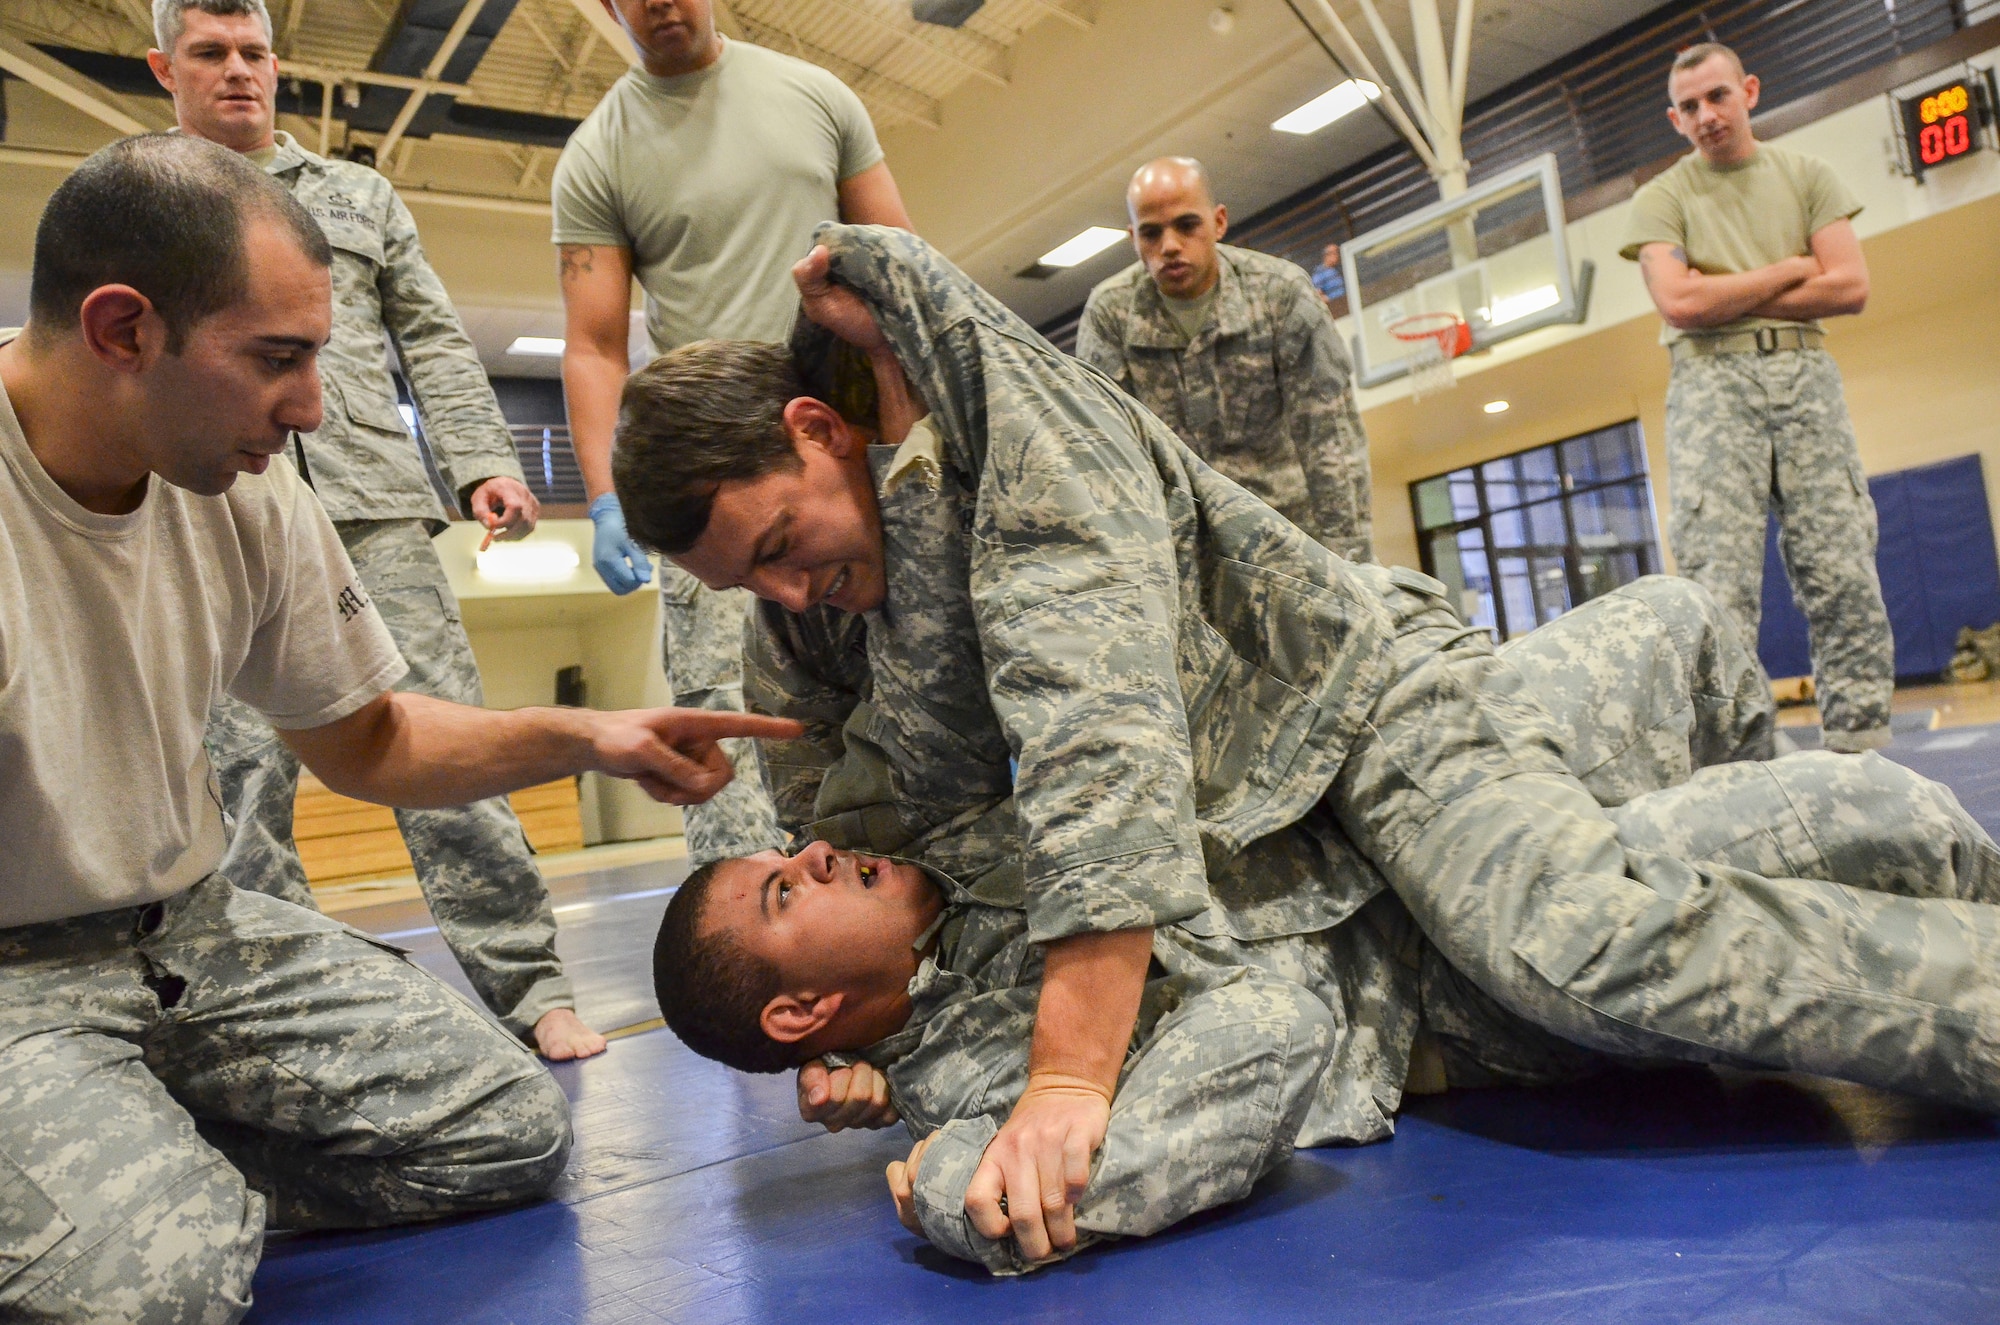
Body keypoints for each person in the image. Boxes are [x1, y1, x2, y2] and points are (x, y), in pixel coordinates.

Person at [610, 222, 2000, 1276]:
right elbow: (841, 808)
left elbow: (1098, 740)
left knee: (1566, 943)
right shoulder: (819, 615)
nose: (784, 598)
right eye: (752, 584)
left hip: (1359, 719)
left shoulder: (1032, 462)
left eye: (782, 549)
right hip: (1302, 842)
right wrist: (848, 1048)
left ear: (817, 431)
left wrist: (1069, 1078)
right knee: (1810, 829)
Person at [0, 133, 797, 1324]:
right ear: (123, 330)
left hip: (186, 937)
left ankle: (152, 1173)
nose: (313, 408)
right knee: (157, 1289)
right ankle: (125, 1203)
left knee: (505, 1127)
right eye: (278, 359)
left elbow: (369, 738)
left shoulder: (249, 489)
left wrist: (590, 737)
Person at [654, 577, 2000, 1273]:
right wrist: (960, 1196)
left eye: (789, 858)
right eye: (787, 891)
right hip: (1424, 959)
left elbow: (835, 699)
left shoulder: (918, 846)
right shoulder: (986, 1086)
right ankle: (1728, 904)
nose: (816, 853)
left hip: (1390, 781)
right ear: (798, 1012)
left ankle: (1712, 870)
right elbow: (1268, 1036)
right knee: (1879, 815)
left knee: (1689, 622)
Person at [146, 0, 607, 1060]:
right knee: (240, 783)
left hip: (372, 507)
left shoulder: (356, 194)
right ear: (163, 66)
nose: (238, 74)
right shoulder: (139, 199)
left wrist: (484, 460)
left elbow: (432, 339)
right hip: (208, 511)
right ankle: (289, 1021)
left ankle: (530, 984)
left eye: (254, 54)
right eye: (210, 55)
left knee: (444, 744)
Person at [552, 0, 912, 866]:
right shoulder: (598, 153)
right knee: (736, 732)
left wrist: (916, 442)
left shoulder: (817, 96)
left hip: (838, 462)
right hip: (714, 482)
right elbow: (595, 348)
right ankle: (766, 943)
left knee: (907, 690)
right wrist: (607, 498)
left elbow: (904, 270)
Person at [1621, 41, 1892, 753]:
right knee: (1720, 586)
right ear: (1674, 119)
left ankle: (1859, 745)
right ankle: (1740, 760)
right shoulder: (1662, 198)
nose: (1706, 115)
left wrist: (1727, 288)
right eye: (1689, 106)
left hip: (1806, 379)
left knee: (1841, 569)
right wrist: (1794, 267)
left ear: (1750, 90)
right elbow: (1679, 302)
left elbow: (1850, 286)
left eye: (1717, 97)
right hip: (1711, 384)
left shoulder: (1808, 176)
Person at [1075, 157, 1373, 561]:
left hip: (1288, 540)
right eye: (1151, 233)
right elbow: (1109, 453)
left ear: (1218, 222)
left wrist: (1351, 565)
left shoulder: (1280, 294)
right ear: (1133, 239)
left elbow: (1330, 438)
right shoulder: (1110, 315)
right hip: (1183, 552)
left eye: (1186, 225)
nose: (1170, 246)